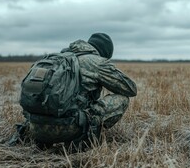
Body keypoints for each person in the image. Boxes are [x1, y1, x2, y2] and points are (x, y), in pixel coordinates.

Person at [9, 33, 137, 148]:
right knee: (123, 99)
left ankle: (43, 138)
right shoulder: (96, 62)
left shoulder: (59, 57)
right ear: (105, 52)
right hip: (68, 128)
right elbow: (130, 89)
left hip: (34, 127)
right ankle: (85, 138)